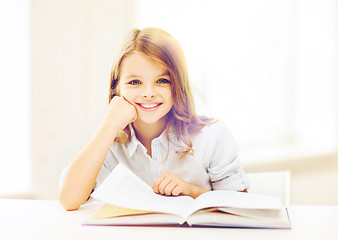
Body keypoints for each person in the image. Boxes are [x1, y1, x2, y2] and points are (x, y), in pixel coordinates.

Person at [58, 27, 249, 211]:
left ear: (178, 84)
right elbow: (68, 200)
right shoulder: (108, 141)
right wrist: (109, 125)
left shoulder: (212, 137)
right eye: (135, 82)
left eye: (162, 81)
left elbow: (241, 207)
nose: (149, 93)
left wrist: (191, 191)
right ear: (118, 87)